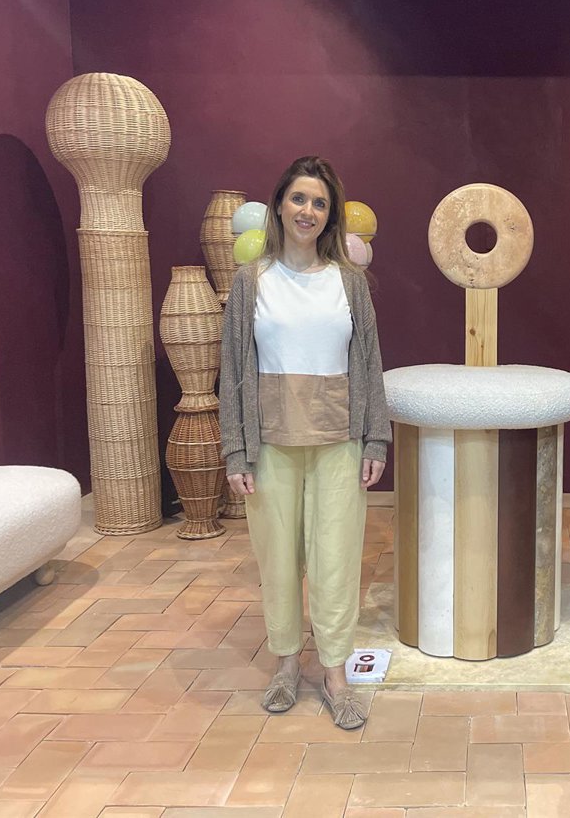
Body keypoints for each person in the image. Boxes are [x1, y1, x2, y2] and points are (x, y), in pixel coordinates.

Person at [220, 155, 391, 727]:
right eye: (299, 198)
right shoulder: (252, 281)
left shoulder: (350, 282)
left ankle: (335, 672)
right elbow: (233, 369)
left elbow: (369, 362)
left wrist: (375, 439)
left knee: (335, 561)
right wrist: (235, 450)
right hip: (270, 443)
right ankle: (287, 663)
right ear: (278, 205)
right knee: (278, 559)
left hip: (339, 440)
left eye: (319, 202)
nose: (308, 211)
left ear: (330, 215)